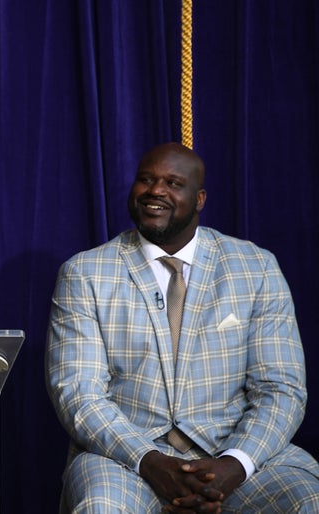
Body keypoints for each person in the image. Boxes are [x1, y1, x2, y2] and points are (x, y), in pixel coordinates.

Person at [45, 142, 319, 513]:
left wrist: (234, 464)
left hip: (231, 453)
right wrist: (151, 462)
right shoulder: (85, 273)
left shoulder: (256, 268)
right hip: (126, 460)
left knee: (308, 498)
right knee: (101, 506)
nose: (156, 190)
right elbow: (78, 394)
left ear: (200, 198)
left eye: (173, 183)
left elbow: (281, 389)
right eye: (146, 179)